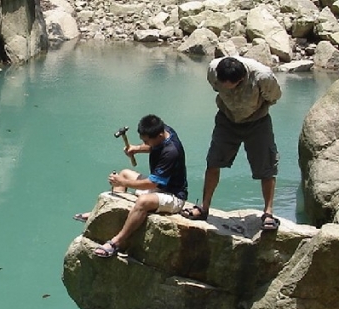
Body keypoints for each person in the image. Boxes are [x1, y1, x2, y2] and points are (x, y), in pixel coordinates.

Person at [180, 56, 282, 230]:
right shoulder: (214, 69)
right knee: (213, 161)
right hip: (227, 119)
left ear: (241, 79)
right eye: (223, 85)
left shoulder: (262, 76)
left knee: (266, 166)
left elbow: (274, 97)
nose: (227, 89)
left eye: (232, 86)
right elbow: (214, 87)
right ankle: (204, 208)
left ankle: (268, 213)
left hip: (257, 121)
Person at [73, 114, 188, 258]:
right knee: (125, 173)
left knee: (143, 201)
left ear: (159, 135)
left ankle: (117, 242)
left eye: (146, 141)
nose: (145, 143)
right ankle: (104, 212)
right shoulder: (163, 130)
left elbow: (152, 183)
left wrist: (123, 183)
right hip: (160, 186)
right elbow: (153, 146)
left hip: (173, 195)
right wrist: (136, 148)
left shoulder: (171, 152)